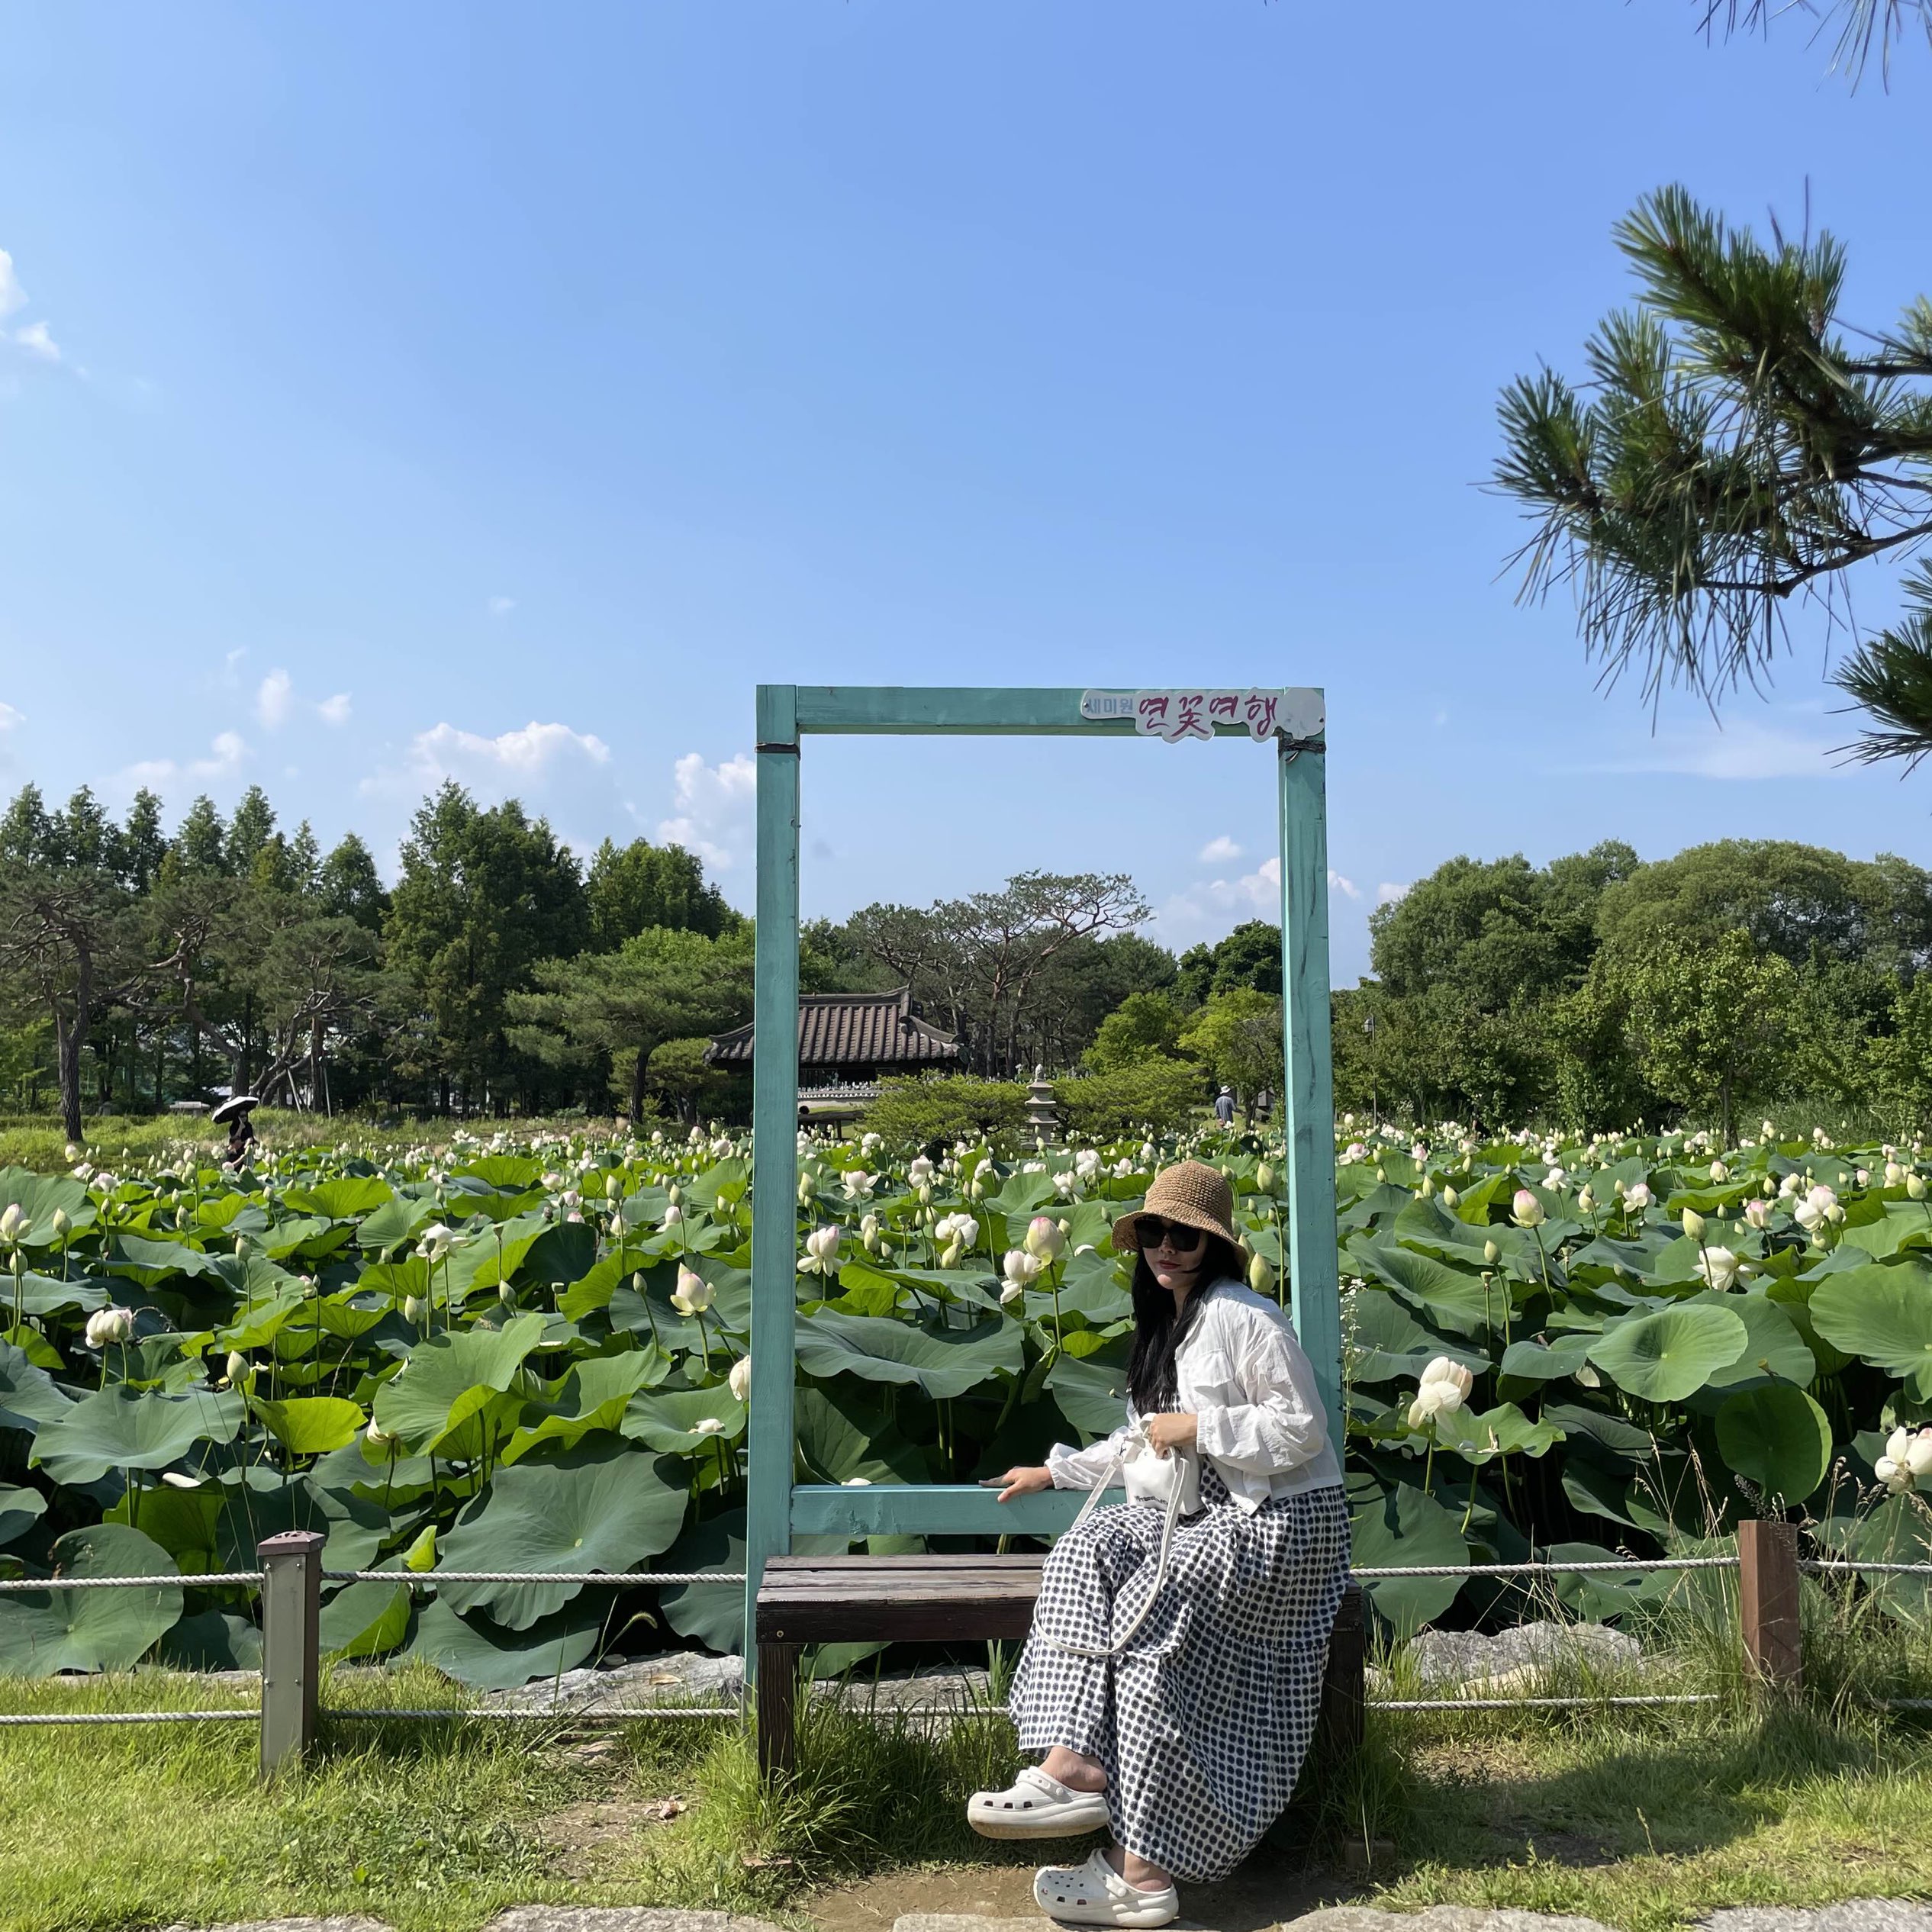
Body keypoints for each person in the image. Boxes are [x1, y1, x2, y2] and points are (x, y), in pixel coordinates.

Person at [967, 1159, 1347, 1927]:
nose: (1166, 1249)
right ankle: (1071, 1764)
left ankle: (1142, 1871)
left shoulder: (1245, 1317)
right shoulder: (1174, 1323)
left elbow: (1304, 1428)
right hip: (1212, 1512)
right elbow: (1145, 1440)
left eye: (1185, 1237)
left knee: (1151, 1618)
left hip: (1284, 1528)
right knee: (1088, 1549)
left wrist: (1203, 1428)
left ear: (1215, 1248)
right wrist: (1058, 1470)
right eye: (1153, 1233)